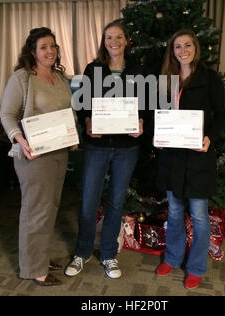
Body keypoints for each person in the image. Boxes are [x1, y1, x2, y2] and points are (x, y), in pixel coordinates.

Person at [65, 20, 145, 279]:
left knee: (116, 201)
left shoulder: (137, 69)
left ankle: (109, 253)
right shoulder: (93, 68)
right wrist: (87, 120)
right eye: (109, 37)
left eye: (118, 37)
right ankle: (83, 251)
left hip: (126, 147)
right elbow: (82, 104)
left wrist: (142, 121)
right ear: (103, 41)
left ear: (126, 40)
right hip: (97, 145)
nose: (114, 42)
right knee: (89, 200)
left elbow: (145, 104)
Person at [0, 27, 75, 287]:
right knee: (36, 210)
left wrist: (73, 133)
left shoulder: (60, 77)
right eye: (43, 47)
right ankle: (34, 268)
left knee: (50, 206)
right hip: (33, 156)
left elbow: (68, 112)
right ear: (33, 51)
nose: (50, 51)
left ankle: (38, 256)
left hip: (59, 152)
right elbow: (7, 114)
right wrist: (20, 139)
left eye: (53, 46)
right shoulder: (22, 78)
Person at [155, 28, 225, 289]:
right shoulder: (166, 80)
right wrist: (159, 136)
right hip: (173, 157)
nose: (182, 50)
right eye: (177, 47)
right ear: (172, 51)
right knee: (174, 211)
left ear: (195, 48)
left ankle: (196, 267)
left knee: (198, 215)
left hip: (198, 157)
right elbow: (159, 115)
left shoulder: (210, 79)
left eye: (187, 45)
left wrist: (210, 138)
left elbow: (222, 115)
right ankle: (172, 259)